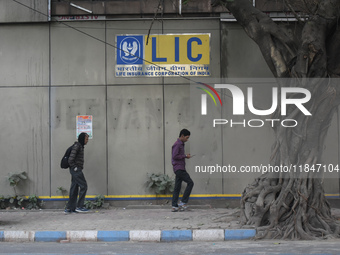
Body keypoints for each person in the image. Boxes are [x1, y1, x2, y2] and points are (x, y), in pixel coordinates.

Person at [64, 132, 90, 214]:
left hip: (75, 169)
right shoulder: (77, 146)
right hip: (76, 169)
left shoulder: (80, 146)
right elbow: (71, 159)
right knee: (84, 186)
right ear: (82, 138)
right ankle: (80, 206)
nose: (87, 141)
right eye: (86, 139)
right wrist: (75, 167)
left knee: (74, 188)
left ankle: (69, 208)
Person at [171, 129, 194, 212]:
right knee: (190, 182)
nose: (187, 140)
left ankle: (174, 206)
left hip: (179, 168)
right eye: (186, 138)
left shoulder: (181, 144)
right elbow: (175, 156)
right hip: (179, 168)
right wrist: (184, 156)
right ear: (182, 136)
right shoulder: (177, 144)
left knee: (177, 187)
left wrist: (185, 156)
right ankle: (183, 202)